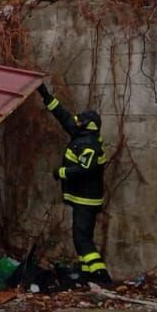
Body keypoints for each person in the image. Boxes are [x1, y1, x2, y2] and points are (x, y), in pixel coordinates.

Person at [37, 84, 110, 284]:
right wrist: (46, 96)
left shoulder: (90, 146)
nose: (75, 122)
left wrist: (61, 173)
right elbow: (64, 117)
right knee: (81, 238)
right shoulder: (82, 136)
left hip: (87, 200)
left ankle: (100, 275)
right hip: (82, 199)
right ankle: (88, 274)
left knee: (82, 238)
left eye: (80, 121)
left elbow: (84, 170)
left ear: (88, 126)